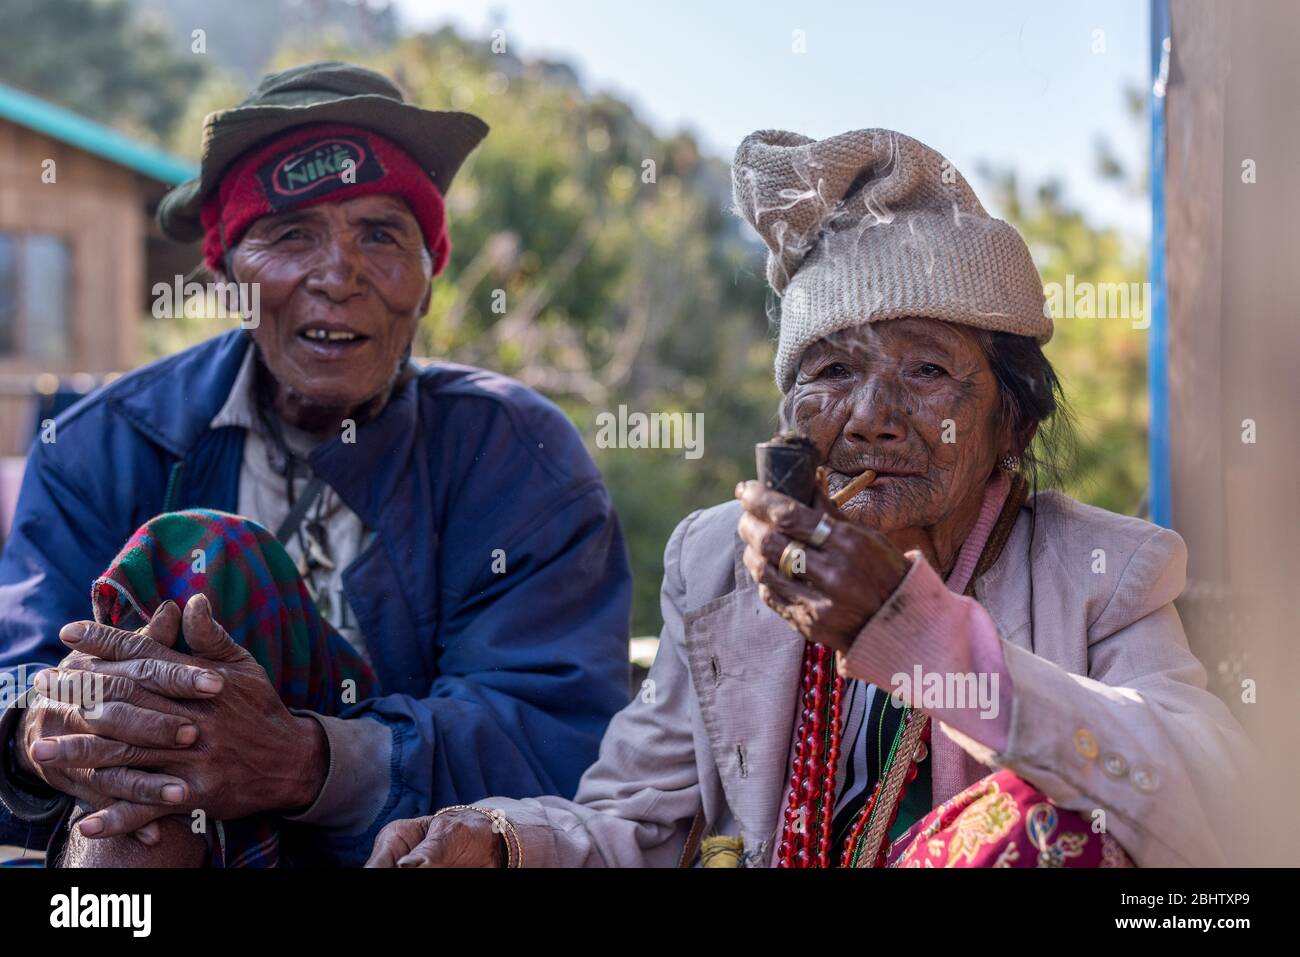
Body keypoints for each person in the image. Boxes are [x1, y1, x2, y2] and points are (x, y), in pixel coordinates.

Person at [366, 129, 1256, 869]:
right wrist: (502, 839)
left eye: (927, 369)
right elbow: (637, 819)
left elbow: (1209, 796)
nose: (870, 418)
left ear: (1012, 423)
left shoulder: (1102, 571)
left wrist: (915, 632)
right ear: (792, 413)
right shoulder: (718, 560)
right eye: (833, 371)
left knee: (1045, 822)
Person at [0, 61, 632, 867]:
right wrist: (41, 727)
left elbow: (557, 730)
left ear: (428, 278)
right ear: (228, 275)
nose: (340, 275)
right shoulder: (101, 445)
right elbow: (15, 669)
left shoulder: (518, 458)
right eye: (292, 233)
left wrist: (302, 761)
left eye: (380, 234)